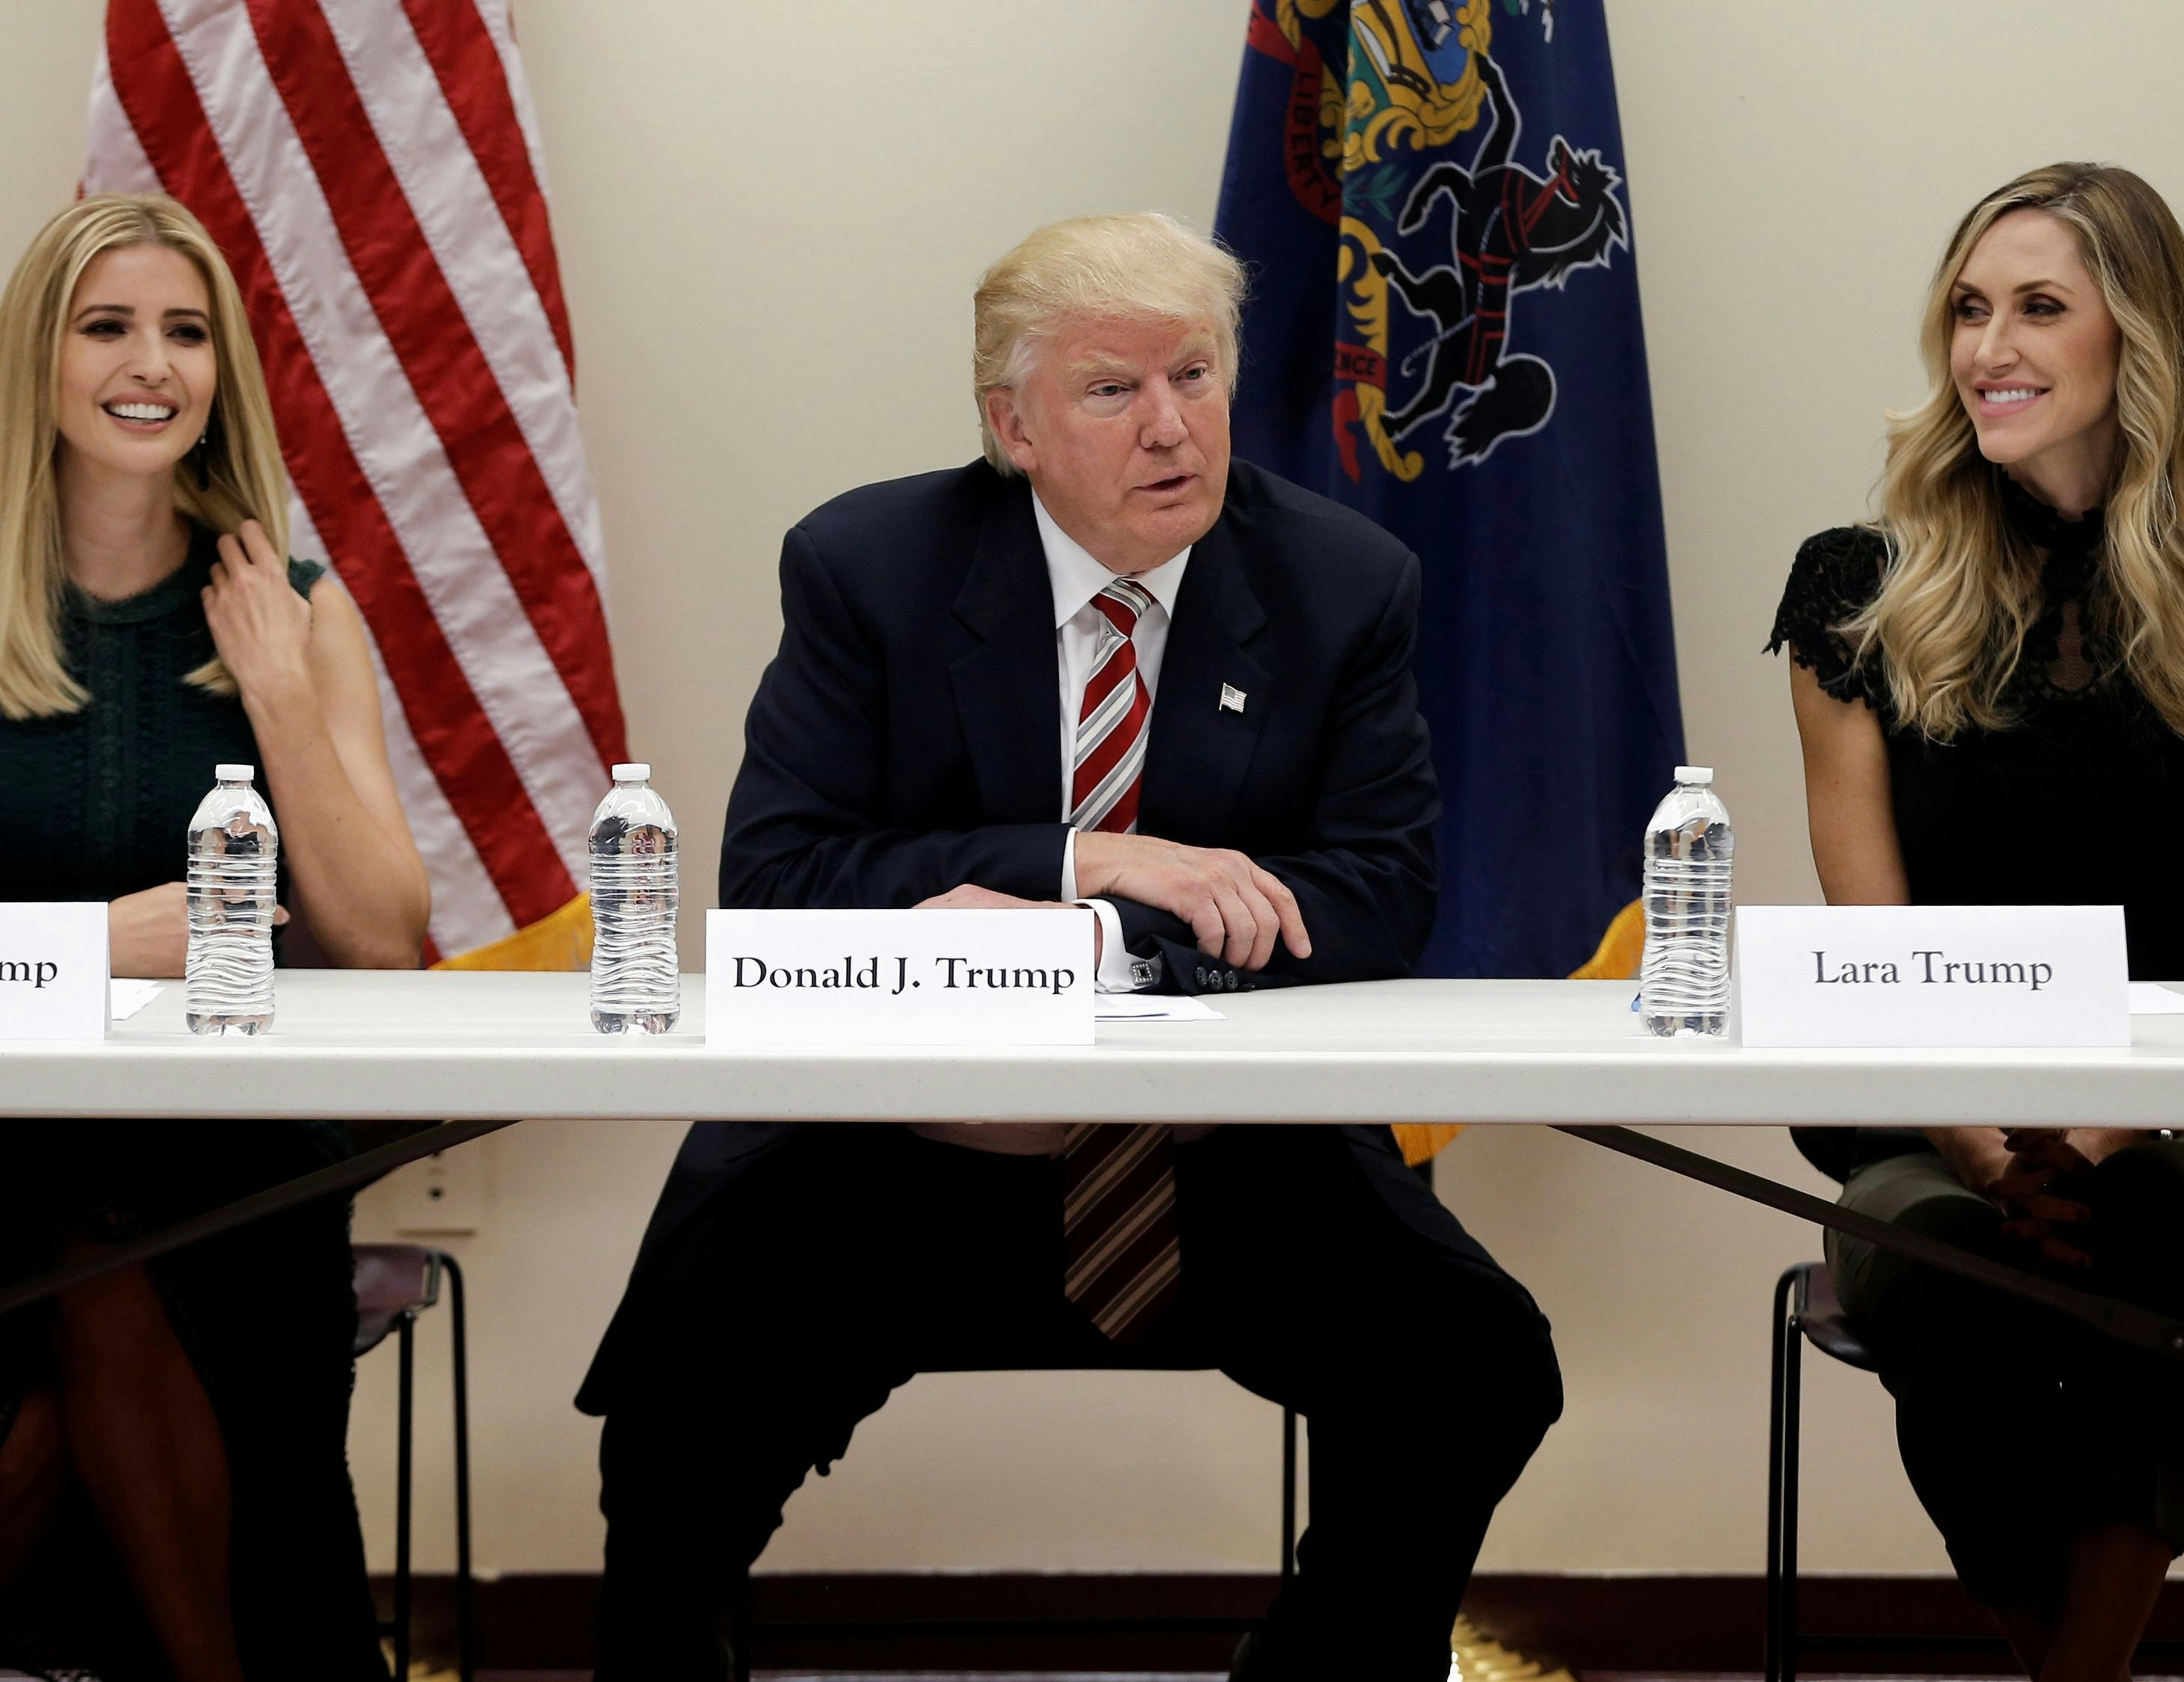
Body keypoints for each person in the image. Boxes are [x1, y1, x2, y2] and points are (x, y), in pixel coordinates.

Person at [575, 212, 1561, 1682]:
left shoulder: (1341, 584)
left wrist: (1091, 939)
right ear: (1010, 425)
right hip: (889, 1152)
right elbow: (777, 886)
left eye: (1195, 376)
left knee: (1476, 1366)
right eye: (1111, 390)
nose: (1170, 428)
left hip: (1223, 1160)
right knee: (677, 1411)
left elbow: (1375, 893)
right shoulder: (869, 566)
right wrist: (1077, 855)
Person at [0, 194, 430, 1680]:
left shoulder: (292, 607)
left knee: (107, 1267)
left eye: (184, 332)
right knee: (57, 1286)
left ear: (220, 372)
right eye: (107, 325)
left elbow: (380, 936)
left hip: (230, 1149)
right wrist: (96, 946)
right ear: (38, 362)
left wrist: (280, 688)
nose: (151, 363)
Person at [1768, 163, 2184, 1681]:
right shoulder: (1856, 596)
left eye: (2038, 307)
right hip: (1941, 1136)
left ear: (2138, 340)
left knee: (2150, 1232)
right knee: (1947, 1252)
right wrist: (1992, 1140)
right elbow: (1872, 957)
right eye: (1966, 310)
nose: (1987, 348)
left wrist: (2094, 1137)